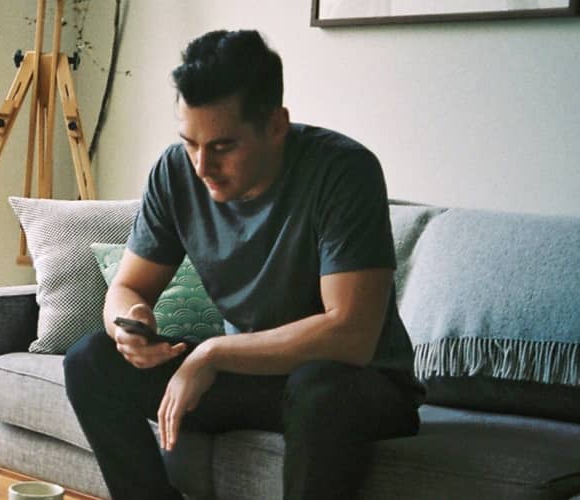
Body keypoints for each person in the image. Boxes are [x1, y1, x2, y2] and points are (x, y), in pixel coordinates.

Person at [63, 30, 423, 500]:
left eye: (222, 146)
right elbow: (127, 287)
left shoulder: (343, 172)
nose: (200, 166)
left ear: (276, 126)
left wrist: (212, 354)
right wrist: (129, 323)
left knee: (319, 388)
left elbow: (350, 335)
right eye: (190, 142)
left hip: (360, 385)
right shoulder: (175, 172)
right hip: (255, 380)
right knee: (91, 360)